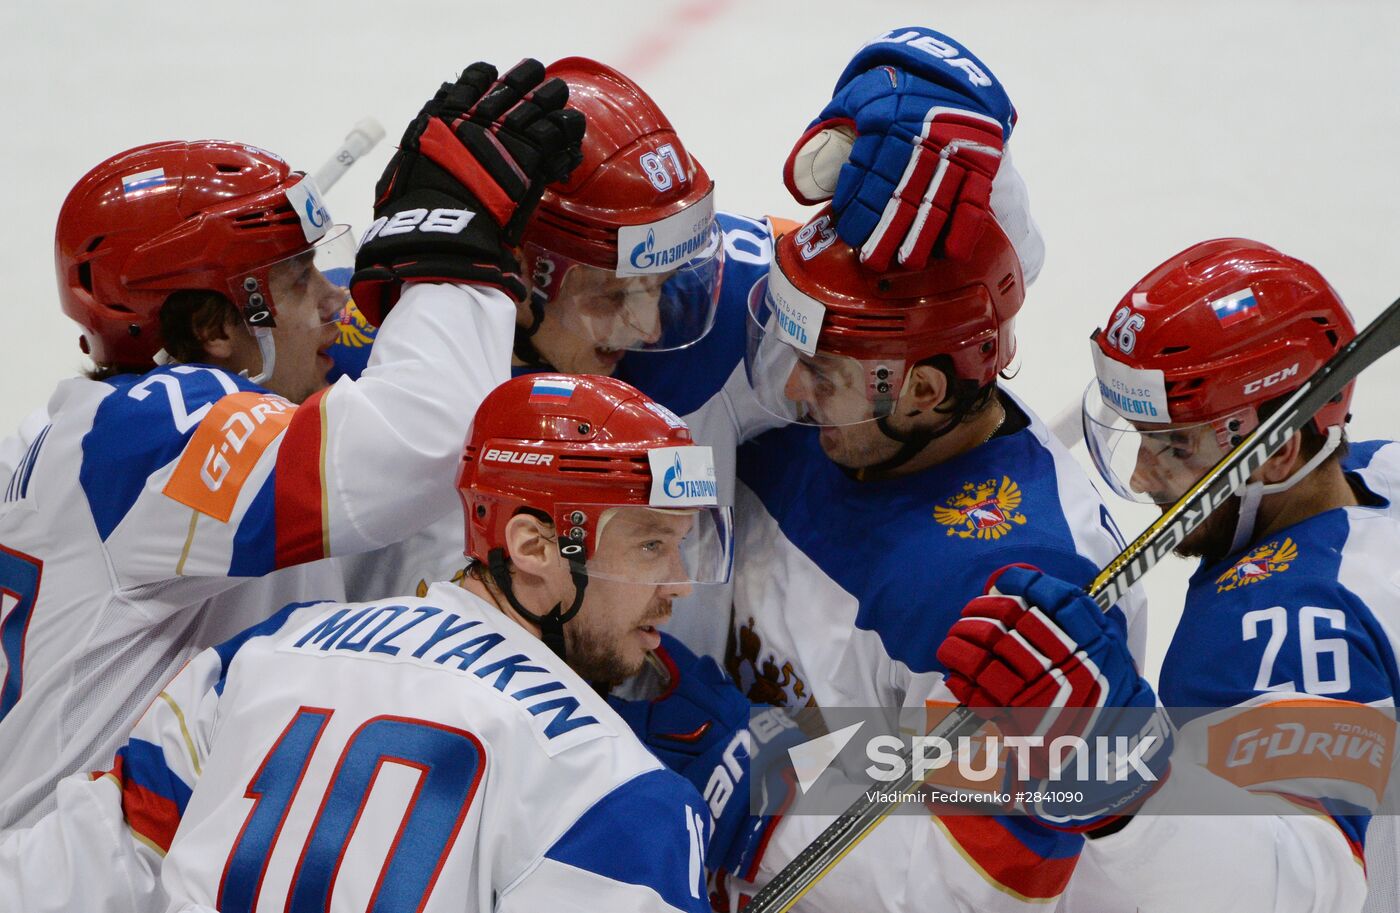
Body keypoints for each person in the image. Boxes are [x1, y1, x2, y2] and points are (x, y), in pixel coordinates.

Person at [0, 59, 584, 830]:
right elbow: (423, 441)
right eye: (301, 278)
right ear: (212, 328)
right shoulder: (157, 431)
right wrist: (453, 232)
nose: (335, 300)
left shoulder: (80, 430)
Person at [339, 32, 1048, 667]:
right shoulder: (364, 351)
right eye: (615, 295)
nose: (650, 327)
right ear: (522, 271)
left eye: (662, 282)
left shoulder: (721, 308)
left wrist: (963, 123)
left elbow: (951, 295)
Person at [0, 373, 733, 913]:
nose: (678, 583)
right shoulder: (618, 791)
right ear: (533, 545)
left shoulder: (261, 654)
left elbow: (77, 866)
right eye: (649, 545)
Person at [677, 200, 1143, 911]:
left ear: (923, 391)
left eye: (825, 374)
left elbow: (969, 893)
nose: (791, 391)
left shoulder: (1010, 584)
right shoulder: (817, 423)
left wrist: (746, 784)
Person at [941, 238, 1398, 912]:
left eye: (1175, 446)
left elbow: (1301, 884)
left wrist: (1126, 786)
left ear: (1278, 453)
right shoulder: (1381, 471)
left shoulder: (1272, 626)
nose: (1139, 475)